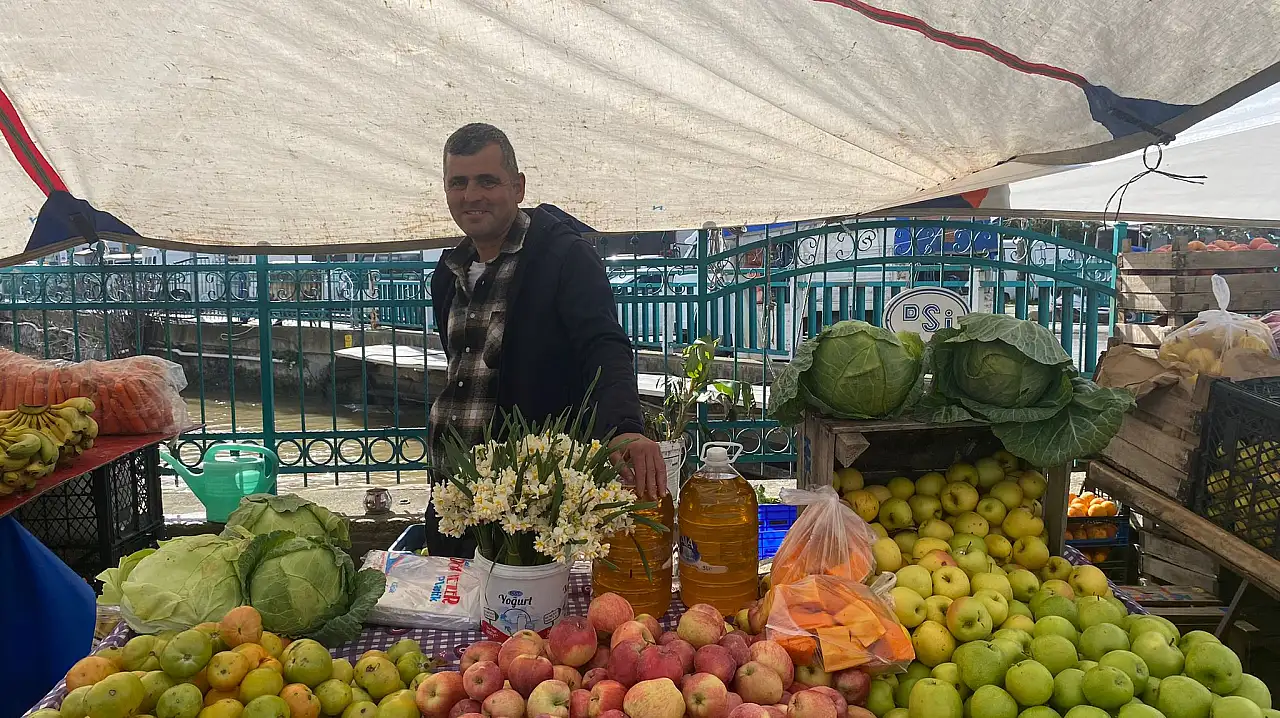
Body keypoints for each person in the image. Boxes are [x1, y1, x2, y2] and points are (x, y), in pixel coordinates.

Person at [423, 123, 664, 557]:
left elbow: (604, 345)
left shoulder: (564, 258)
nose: (471, 195)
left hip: (529, 514)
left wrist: (624, 428)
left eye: (487, 181)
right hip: (453, 500)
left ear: (518, 187)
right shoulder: (448, 273)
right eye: (458, 183)